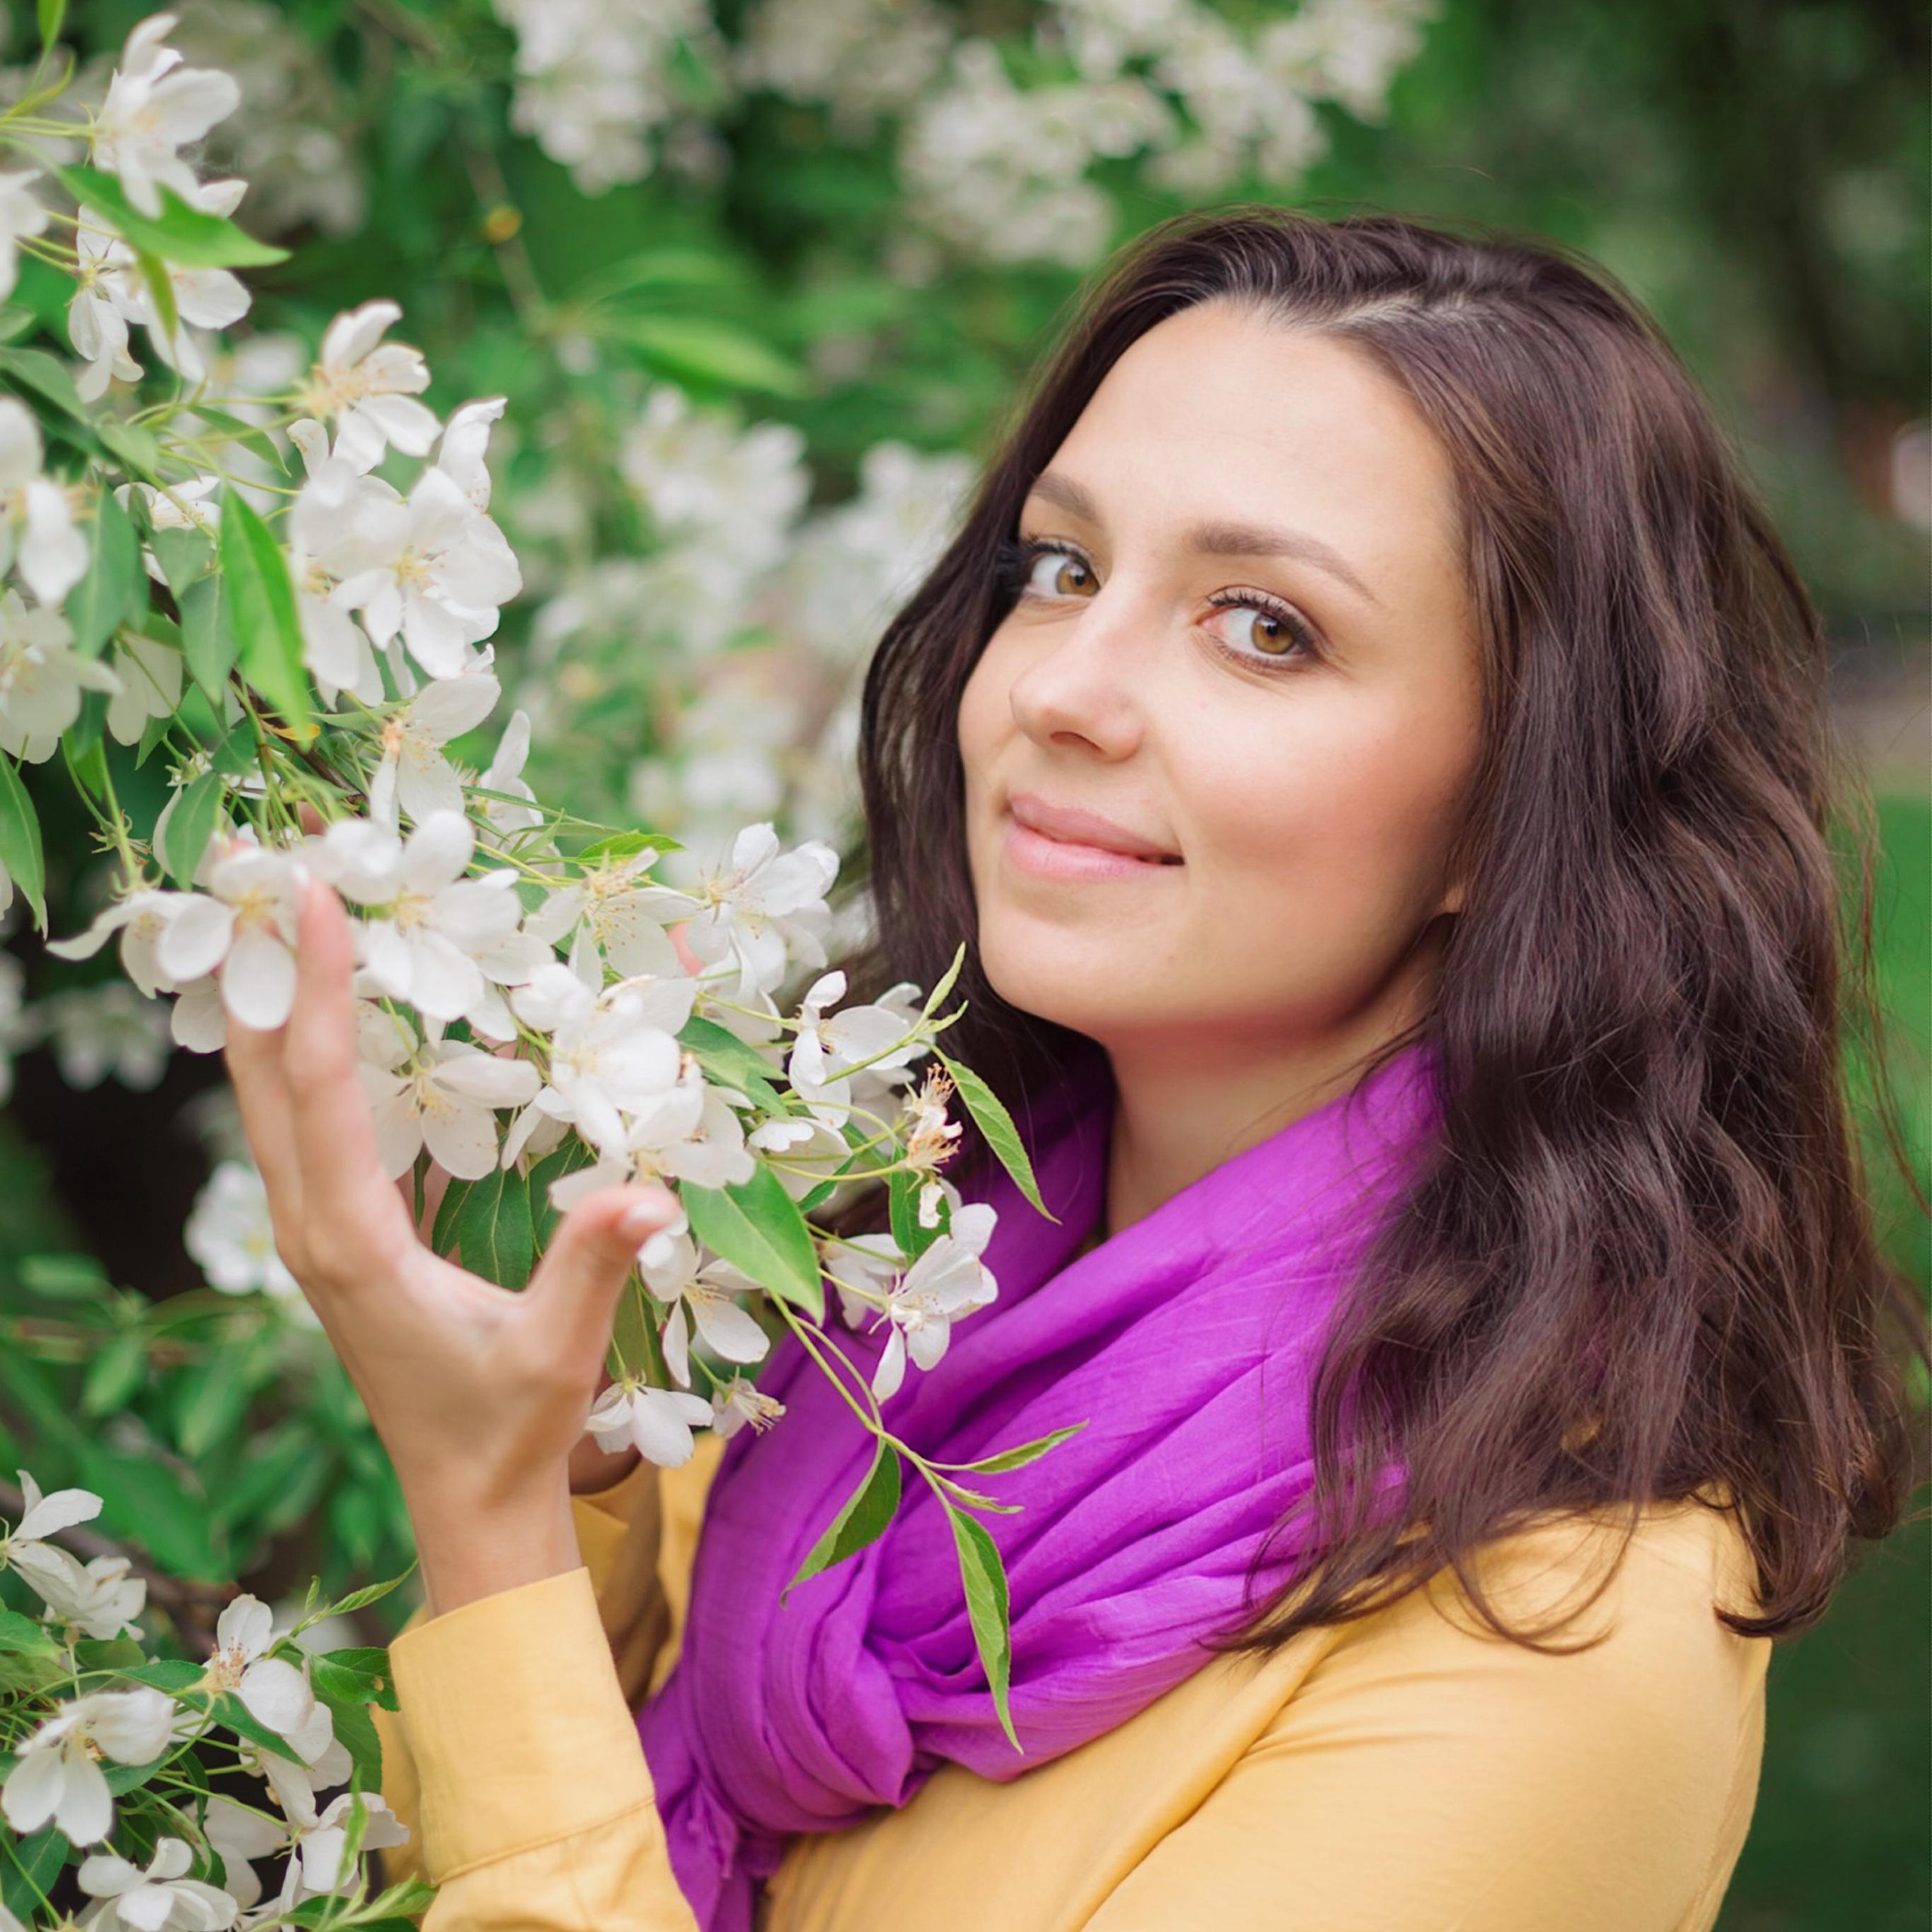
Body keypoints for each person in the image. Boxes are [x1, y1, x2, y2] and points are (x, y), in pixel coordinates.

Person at [223, 205, 1930, 1932]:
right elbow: (475, 1850)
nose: (1066, 688)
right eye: (1058, 568)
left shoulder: (1560, 1627)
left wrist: (486, 1511)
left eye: (1263, 624)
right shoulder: (854, 1280)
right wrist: (571, 1476)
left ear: (1511, 808)